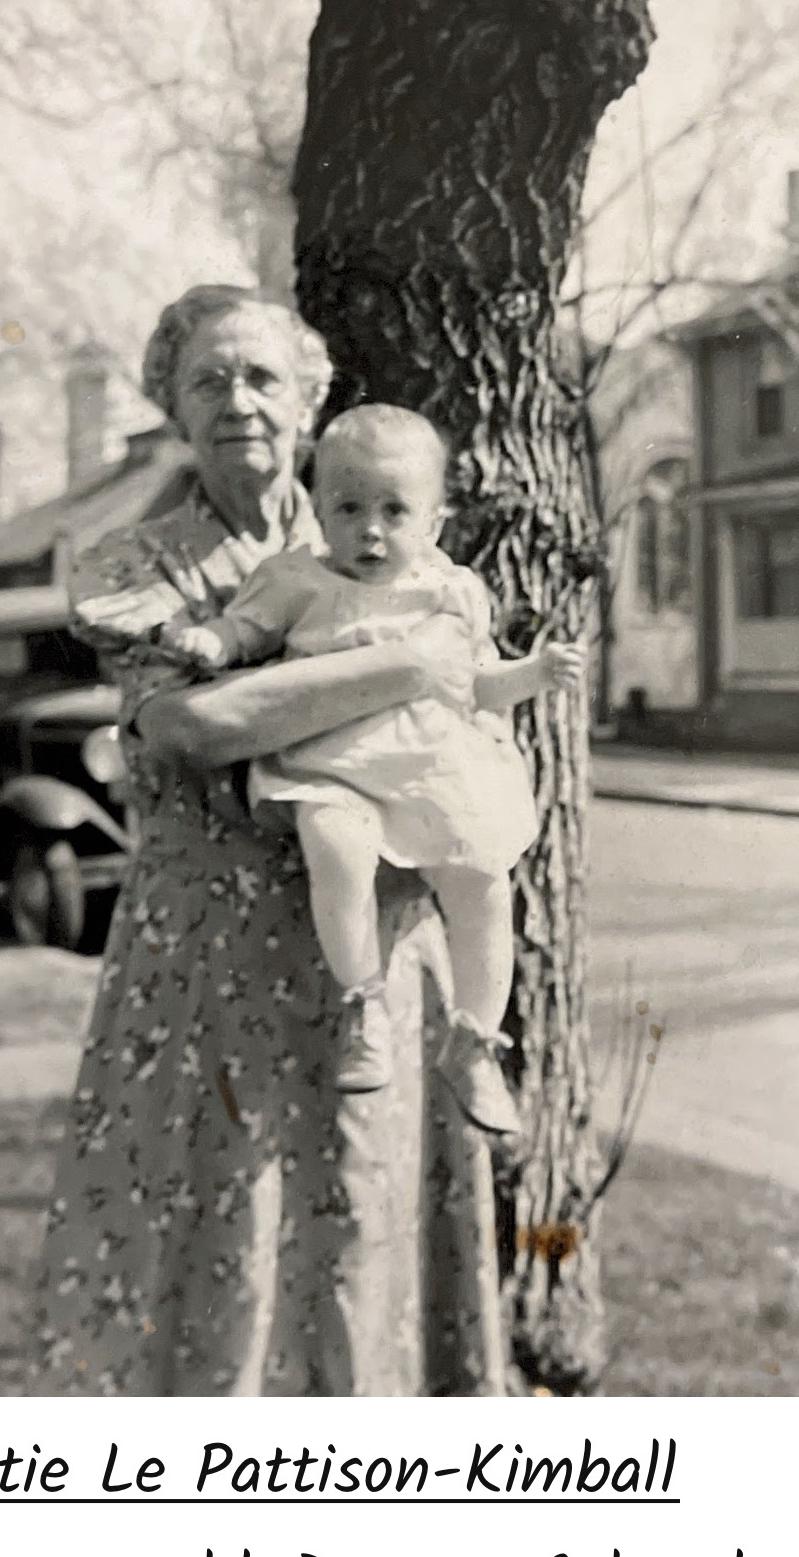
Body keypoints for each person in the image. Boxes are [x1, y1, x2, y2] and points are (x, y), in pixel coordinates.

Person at [33, 285, 508, 1397]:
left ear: (308, 398)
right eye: (208, 380)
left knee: (362, 1207)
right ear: (172, 406)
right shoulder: (136, 565)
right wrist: (401, 665)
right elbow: (195, 728)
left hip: (370, 948)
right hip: (203, 951)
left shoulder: (374, 520)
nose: (237, 400)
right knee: (211, 1216)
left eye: (261, 377)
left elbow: (474, 699)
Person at [158, 403, 584, 1134]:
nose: (371, 531)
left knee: (483, 880)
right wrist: (213, 643)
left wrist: (535, 674)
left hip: (429, 771)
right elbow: (243, 630)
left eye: (394, 510)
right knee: (338, 847)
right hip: (334, 763)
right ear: (319, 507)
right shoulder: (296, 579)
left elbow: (477, 686)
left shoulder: (450, 590)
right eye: (349, 508)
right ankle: (363, 1004)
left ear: (435, 522)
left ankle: (475, 1042)